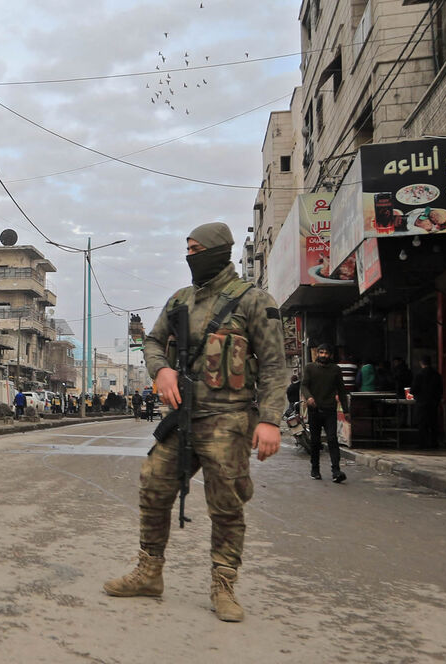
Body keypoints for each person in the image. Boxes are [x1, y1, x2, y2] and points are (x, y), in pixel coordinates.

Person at [103, 222, 286, 624]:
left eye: (197, 248)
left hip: (230, 419)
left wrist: (270, 420)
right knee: (153, 485)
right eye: (187, 248)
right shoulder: (180, 300)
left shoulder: (254, 301)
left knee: (226, 504)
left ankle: (224, 583)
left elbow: (274, 365)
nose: (190, 255)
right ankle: (149, 572)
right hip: (181, 418)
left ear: (219, 252)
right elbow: (151, 341)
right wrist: (161, 371)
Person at [301, 343, 349, 483]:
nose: (323, 355)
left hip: (330, 410)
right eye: (321, 352)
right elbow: (304, 385)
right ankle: (315, 469)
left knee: (333, 439)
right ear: (317, 354)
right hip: (315, 410)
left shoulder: (335, 370)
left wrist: (346, 410)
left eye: (326, 353)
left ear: (331, 355)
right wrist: (309, 397)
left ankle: (336, 471)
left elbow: (341, 390)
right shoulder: (309, 368)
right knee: (315, 442)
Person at [411, 355, 443, 448]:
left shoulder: (419, 375)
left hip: (422, 402)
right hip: (433, 402)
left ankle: (423, 443)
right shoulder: (436, 374)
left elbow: (414, 389)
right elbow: (440, 389)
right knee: (433, 423)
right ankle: (434, 442)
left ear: (421, 363)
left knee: (422, 423)